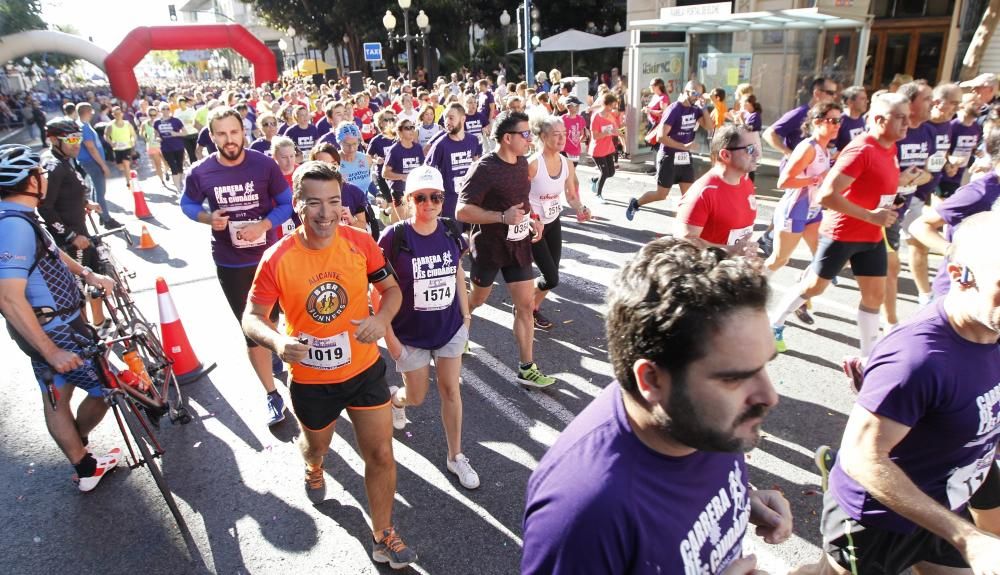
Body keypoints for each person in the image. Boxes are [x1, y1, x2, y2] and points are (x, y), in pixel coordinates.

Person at [521, 237, 791, 574]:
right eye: (734, 379)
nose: (769, 396)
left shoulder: (698, 420)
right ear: (651, 381)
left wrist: (738, 499)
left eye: (764, 365)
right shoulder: (585, 512)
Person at [792, 210, 1000, 575]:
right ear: (960, 277)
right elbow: (862, 459)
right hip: (876, 519)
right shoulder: (916, 358)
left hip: (940, 508)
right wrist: (969, 538)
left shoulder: (991, 332)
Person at [242, 160, 417, 570]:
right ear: (297, 205)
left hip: (363, 371)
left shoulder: (360, 242)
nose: (326, 213)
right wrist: (278, 340)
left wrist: (380, 319)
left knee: (381, 453)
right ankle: (313, 463)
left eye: (334, 202)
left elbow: (391, 290)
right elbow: (252, 316)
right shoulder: (277, 257)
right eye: (314, 203)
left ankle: (382, 534)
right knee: (317, 445)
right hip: (311, 379)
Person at [0, 144, 120, 492]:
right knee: (106, 388)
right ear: (29, 181)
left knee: (56, 395)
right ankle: (80, 451)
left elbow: (51, 254)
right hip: (58, 330)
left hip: (53, 326)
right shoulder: (14, 227)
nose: (45, 177)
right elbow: (7, 297)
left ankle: (83, 465)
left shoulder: (20, 216)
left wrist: (88, 273)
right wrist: (51, 350)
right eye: (40, 173)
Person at [768, 93, 908, 371]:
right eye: (900, 117)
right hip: (843, 233)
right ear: (878, 119)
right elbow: (826, 196)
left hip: (871, 235)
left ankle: (868, 360)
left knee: (874, 296)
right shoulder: (861, 150)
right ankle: (775, 322)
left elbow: (871, 186)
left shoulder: (891, 148)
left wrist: (892, 200)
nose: (907, 122)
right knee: (814, 287)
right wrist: (872, 214)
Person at [179, 107, 294, 427]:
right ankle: (272, 394)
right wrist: (207, 218)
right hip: (231, 262)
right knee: (253, 331)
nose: (229, 140)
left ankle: (300, 374)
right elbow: (187, 204)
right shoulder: (202, 171)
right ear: (212, 136)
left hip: (270, 257)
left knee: (282, 319)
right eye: (221, 134)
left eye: (234, 132)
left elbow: (287, 203)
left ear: (243, 132)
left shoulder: (264, 164)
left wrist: (264, 224)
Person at [378, 165, 480, 490]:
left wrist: (466, 317)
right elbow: (376, 289)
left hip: (449, 328)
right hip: (410, 335)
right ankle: (397, 400)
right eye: (420, 198)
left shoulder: (451, 231)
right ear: (409, 200)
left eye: (435, 197)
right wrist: (390, 339)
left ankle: (456, 456)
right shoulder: (394, 238)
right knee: (417, 397)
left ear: (442, 198)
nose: (428, 203)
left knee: (452, 391)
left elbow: (458, 273)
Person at [456, 111, 555, 388]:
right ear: (507, 138)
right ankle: (459, 328)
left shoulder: (523, 163)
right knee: (477, 300)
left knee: (524, 306)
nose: (529, 139)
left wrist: (532, 218)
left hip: (518, 244)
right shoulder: (484, 168)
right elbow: (461, 211)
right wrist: (501, 217)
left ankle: (527, 367)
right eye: (525, 134)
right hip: (489, 247)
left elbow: (521, 200)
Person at [765, 102, 843, 330]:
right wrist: (815, 180)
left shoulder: (825, 148)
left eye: (840, 120)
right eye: (833, 120)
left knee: (822, 256)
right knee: (779, 260)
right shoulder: (807, 147)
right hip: (795, 210)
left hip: (813, 210)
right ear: (817, 121)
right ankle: (748, 289)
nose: (838, 125)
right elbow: (784, 181)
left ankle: (801, 295)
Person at [908, 126, 1000, 300]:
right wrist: (953, 251)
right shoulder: (979, 193)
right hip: (959, 295)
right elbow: (920, 226)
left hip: (991, 293)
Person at [37, 117, 110, 330]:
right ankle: (86, 332)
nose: (76, 143)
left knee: (94, 282)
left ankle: (100, 323)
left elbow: (65, 194)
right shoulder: (54, 166)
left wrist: (86, 202)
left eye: (78, 137)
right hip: (71, 241)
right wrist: (70, 236)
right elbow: (45, 208)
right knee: (79, 291)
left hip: (82, 232)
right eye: (71, 139)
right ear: (53, 139)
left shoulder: (65, 160)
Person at [527, 116, 591, 330]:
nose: (562, 138)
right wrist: (532, 219)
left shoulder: (566, 163)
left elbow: (571, 195)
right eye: (556, 134)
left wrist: (581, 208)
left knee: (551, 274)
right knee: (552, 278)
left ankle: (531, 309)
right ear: (543, 137)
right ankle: (524, 304)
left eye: (564, 134)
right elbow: (517, 196)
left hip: (553, 222)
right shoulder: (533, 164)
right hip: (534, 227)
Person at [626, 81, 712, 220]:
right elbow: (661, 137)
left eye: (700, 94)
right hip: (669, 157)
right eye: (695, 93)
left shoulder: (696, 109)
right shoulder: (674, 109)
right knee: (661, 194)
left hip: (684, 158)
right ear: (685, 91)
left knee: (688, 196)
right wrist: (684, 146)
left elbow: (708, 126)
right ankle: (635, 203)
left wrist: (704, 108)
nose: (697, 97)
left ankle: (685, 224)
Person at [674, 124, 758, 255]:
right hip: (709, 273)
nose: (757, 154)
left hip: (734, 271)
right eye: (750, 149)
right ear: (726, 155)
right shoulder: (703, 193)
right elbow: (683, 244)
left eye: (758, 147)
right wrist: (730, 250)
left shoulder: (746, 181)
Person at [75, 103, 114, 224]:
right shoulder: (84, 127)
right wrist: (103, 165)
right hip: (92, 162)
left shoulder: (82, 125)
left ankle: (101, 214)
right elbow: (91, 148)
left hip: (89, 162)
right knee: (100, 192)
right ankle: (106, 219)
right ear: (88, 112)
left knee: (96, 190)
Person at [587, 92, 621, 202]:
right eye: (612, 106)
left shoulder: (610, 116)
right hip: (597, 150)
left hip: (608, 148)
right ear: (606, 104)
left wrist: (621, 133)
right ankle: (598, 195)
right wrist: (607, 132)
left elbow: (615, 131)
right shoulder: (596, 117)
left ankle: (594, 179)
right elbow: (595, 136)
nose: (614, 108)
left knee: (611, 172)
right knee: (605, 172)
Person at [153, 103, 186, 192]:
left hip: (178, 146)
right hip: (166, 148)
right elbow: (156, 135)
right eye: (163, 109)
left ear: (170, 110)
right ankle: (178, 189)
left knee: (179, 166)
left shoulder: (176, 120)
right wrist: (158, 138)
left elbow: (185, 132)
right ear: (160, 110)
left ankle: (181, 183)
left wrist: (176, 134)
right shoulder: (157, 122)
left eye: (167, 108)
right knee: (173, 167)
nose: (166, 110)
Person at [103, 106, 136, 189]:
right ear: (113, 114)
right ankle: (128, 174)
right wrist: (111, 143)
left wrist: (132, 141)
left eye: (119, 113)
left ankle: (128, 182)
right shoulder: (110, 125)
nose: (118, 115)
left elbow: (133, 134)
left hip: (127, 147)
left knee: (126, 163)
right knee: (121, 167)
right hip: (117, 149)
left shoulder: (127, 124)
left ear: (122, 114)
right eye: (116, 114)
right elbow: (106, 136)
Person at [834, 86, 868, 159]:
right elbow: (830, 149)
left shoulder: (862, 120)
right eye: (862, 99)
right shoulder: (838, 120)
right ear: (850, 102)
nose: (866, 101)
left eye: (866, 98)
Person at [139, 106, 166, 186]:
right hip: (152, 146)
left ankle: (166, 171)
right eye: (151, 115)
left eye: (155, 115)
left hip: (163, 145)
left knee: (166, 162)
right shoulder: (145, 124)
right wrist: (145, 137)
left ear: (157, 114)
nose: (153, 117)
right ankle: (162, 180)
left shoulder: (161, 121)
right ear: (148, 115)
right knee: (158, 164)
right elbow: (141, 133)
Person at [560, 96, 587, 165]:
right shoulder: (562, 119)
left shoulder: (581, 119)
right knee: (566, 172)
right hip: (564, 150)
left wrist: (582, 139)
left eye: (578, 105)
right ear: (568, 107)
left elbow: (583, 134)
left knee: (572, 171)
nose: (578, 107)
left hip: (575, 151)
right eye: (576, 105)